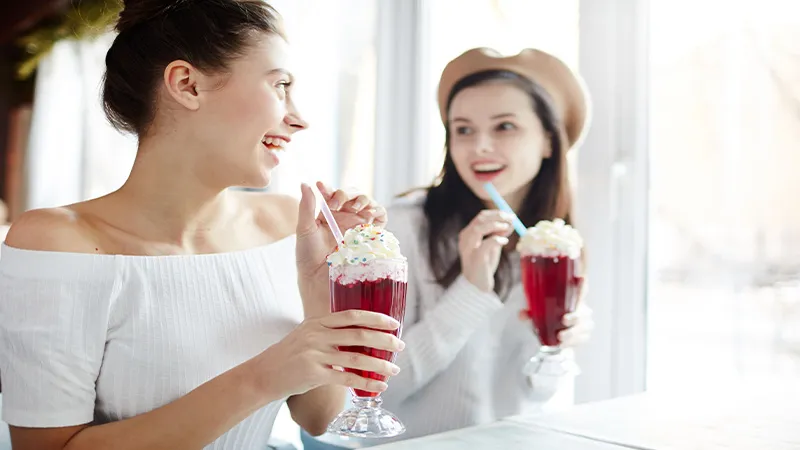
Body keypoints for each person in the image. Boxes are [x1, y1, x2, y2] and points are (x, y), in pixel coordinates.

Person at [0, 1, 404, 449]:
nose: (299, 117)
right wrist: (262, 377)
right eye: (280, 86)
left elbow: (319, 416)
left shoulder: (286, 224)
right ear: (187, 84)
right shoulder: (58, 243)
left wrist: (319, 291)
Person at [301, 47, 594, 449]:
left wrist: (556, 347)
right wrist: (471, 292)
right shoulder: (404, 226)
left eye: (505, 127)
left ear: (548, 140)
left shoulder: (552, 244)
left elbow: (536, 396)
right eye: (463, 129)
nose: (480, 147)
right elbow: (374, 391)